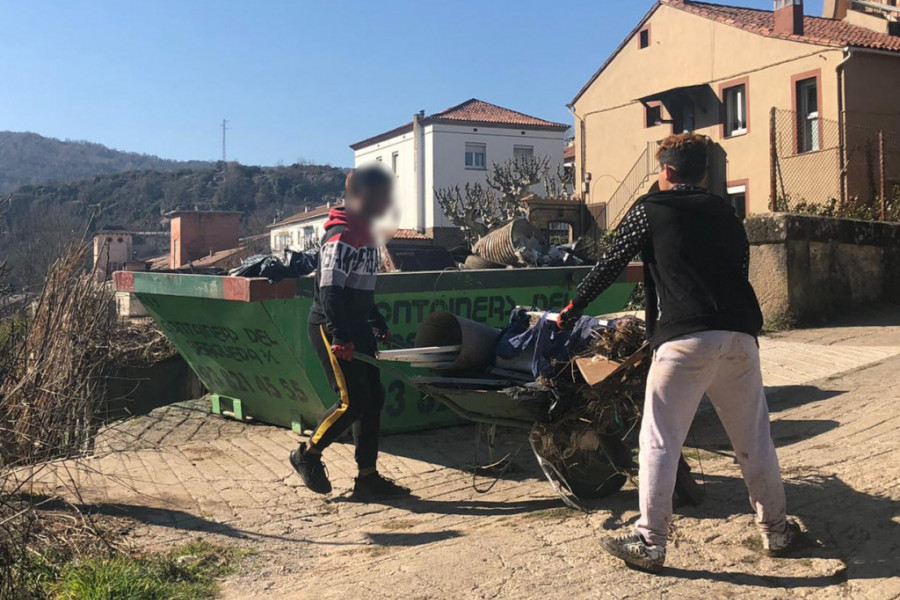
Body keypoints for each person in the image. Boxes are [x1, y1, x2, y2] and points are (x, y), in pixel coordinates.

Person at [557, 133, 798, 572]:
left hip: (685, 337)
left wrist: (572, 309)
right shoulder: (728, 213)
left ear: (665, 171)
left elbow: (610, 262)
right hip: (740, 335)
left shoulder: (650, 210)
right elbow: (739, 270)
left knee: (660, 440)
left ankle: (650, 541)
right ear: (703, 173)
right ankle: (776, 530)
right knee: (754, 438)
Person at [289, 165, 410, 501]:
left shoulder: (368, 236)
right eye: (383, 197)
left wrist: (376, 323)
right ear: (363, 196)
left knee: (373, 399)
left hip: (356, 326)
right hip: (331, 326)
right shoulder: (341, 235)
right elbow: (330, 293)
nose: (388, 203)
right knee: (352, 401)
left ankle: (367, 478)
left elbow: (362, 290)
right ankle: (307, 455)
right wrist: (341, 335)